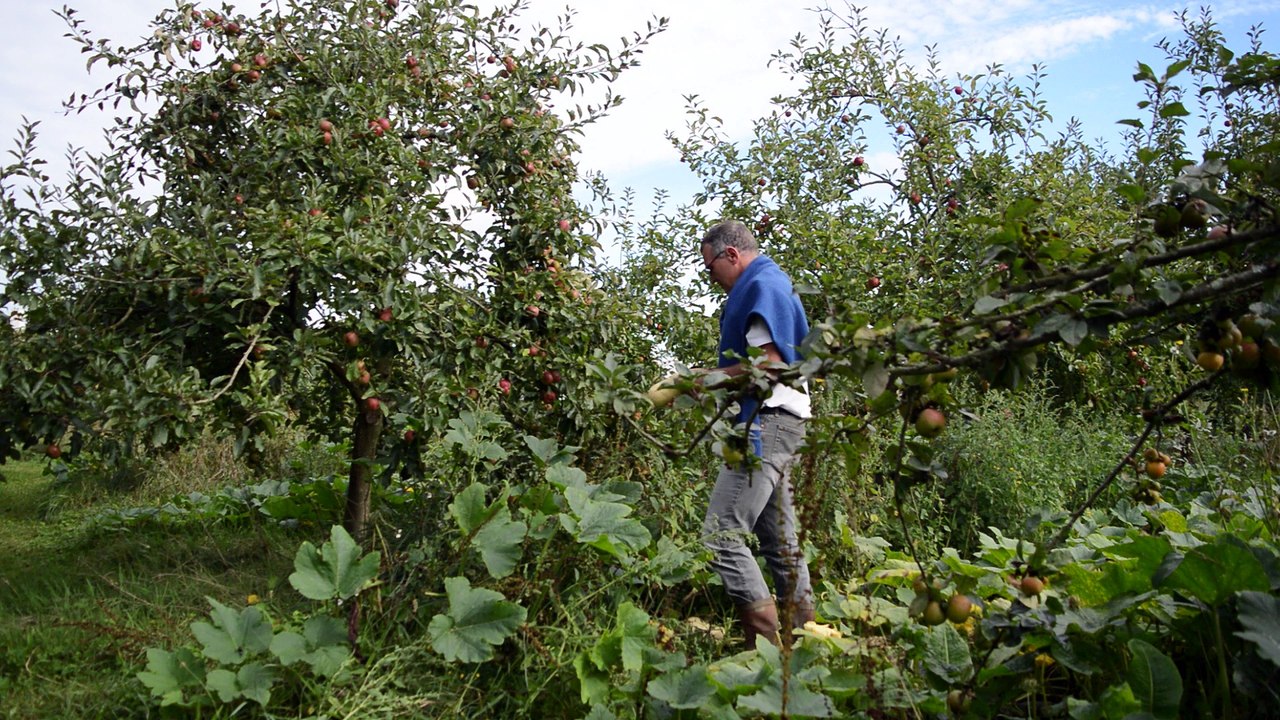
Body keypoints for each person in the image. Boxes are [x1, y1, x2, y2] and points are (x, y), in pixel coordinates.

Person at [697, 219, 814, 647]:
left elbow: (769, 365)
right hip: (784, 420)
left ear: (731, 255)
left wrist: (704, 378)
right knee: (779, 541)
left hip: (769, 421)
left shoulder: (761, 285)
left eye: (711, 268)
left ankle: (763, 650)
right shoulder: (769, 282)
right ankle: (805, 647)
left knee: (722, 533)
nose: (712, 278)